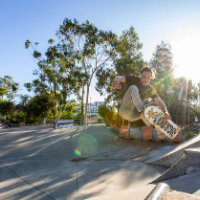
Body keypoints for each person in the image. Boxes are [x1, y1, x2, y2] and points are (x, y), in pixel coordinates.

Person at [112, 66, 171, 139]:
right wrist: (116, 82)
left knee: (156, 104)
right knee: (133, 88)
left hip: (135, 115)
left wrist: (165, 111)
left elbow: (159, 101)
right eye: (144, 77)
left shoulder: (150, 89)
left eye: (148, 78)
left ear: (150, 78)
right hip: (125, 110)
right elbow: (119, 78)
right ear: (140, 75)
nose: (145, 80)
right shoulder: (133, 79)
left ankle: (161, 130)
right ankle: (144, 112)